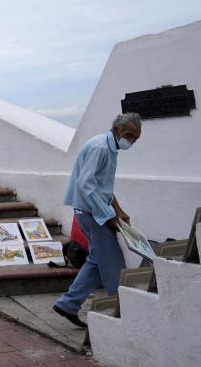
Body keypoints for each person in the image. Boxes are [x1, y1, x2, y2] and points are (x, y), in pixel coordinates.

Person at [53, 112, 142, 328]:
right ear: (118, 130)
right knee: (113, 264)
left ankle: (68, 304)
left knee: (96, 260)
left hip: (93, 211)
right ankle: (120, 311)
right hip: (91, 213)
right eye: (129, 135)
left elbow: (104, 187)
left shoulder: (110, 147)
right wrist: (109, 217)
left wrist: (118, 210)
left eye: (135, 138)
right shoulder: (101, 148)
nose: (131, 141)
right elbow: (87, 185)